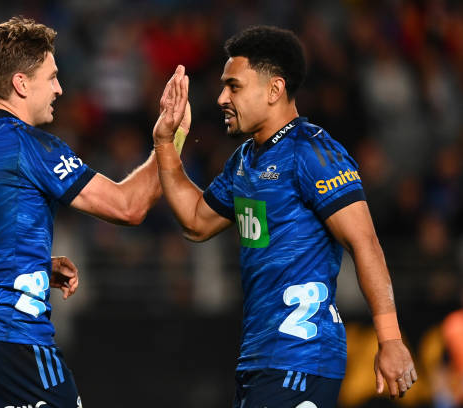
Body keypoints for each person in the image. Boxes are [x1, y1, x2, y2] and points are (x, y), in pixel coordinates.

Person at [0, 17, 189, 408]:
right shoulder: (31, 146)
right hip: (10, 339)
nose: (60, 88)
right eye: (52, 77)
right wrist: (171, 137)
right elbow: (128, 207)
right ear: (21, 83)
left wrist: (31, 266)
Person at [152, 25, 417, 407]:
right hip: (259, 359)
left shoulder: (312, 152)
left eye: (235, 86)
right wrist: (165, 143)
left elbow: (365, 243)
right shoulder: (244, 162)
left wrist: (390, 340)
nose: (222, 97)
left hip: (301, 358)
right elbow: (196, 222)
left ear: (275, 89)